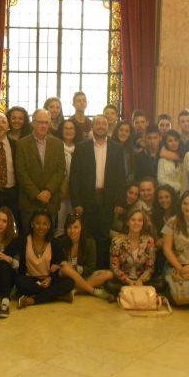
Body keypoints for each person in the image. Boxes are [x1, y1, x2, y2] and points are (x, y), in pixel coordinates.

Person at [69, 115, 126, 269]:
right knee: (88, 235)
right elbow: (74, 176)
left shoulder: (117, 148)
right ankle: (88, 269)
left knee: (104, 235)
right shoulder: (82, 147)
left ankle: (103, 270)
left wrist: (120, 201)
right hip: (87, 198)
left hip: (108, 198)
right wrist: (76, 202)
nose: (101, 126)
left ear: (108, 126)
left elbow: (121, 177)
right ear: (92, 126)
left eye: (104, 123)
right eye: (97, 123)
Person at [5, 210, 75, 308]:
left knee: (69, 282)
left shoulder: (55, 243)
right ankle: (57, 296)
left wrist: (51, 278)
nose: (41, 227)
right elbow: (6, 253)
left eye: (44, 224)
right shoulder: (22, 240)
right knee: (19, 282)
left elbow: (61, 263)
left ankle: (33, 300)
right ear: (32, 224)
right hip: (30, 280)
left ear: (49, 226)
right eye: (37, 223)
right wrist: (7, 258)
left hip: (49, 280)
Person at [15, 108, 66, 232]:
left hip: (50, 200)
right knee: (28, 238)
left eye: (46, 122)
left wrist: (48, 191)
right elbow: (21, 173)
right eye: (40, 122)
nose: (43, 125)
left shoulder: (58, 144)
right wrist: (37, 194)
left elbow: (60, 170)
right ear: (33, 123)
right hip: (29, 201)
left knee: (49, 238)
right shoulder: (21, 144)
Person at [56, 213, 114, 300]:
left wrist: (76, 268)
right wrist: (66, 267)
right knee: (65, 268)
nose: (72, 231)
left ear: (81, 228)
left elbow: (91, 268)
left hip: (83, 276)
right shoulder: (60, 242)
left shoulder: (90, 243)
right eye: (69, 227)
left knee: (108, 274)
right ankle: (93, 291)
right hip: (67, 278)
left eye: (76, 227)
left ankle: (75, 290)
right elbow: (57, 266)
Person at [105, 209, 156, 296]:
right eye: (133, 220)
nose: (136, 223)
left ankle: (129, 293)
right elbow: (114, 267)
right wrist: (128, 281)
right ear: (128, 222)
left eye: (139, 220)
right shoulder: (117, 240)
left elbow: (150, 268)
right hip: (123, 280)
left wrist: (140, 281)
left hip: (141, 280)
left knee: (160, 284)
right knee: (109, 285)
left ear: (143, 223)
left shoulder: (149, 241)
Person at [55, 119, 81, 237]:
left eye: (71, 128)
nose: (68, 131)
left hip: (77, 192)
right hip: (60, 191)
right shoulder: (55, 146)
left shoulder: (81, 147)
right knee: (60, 224)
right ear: (61, 130)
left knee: (74, 223)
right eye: (66, 128)